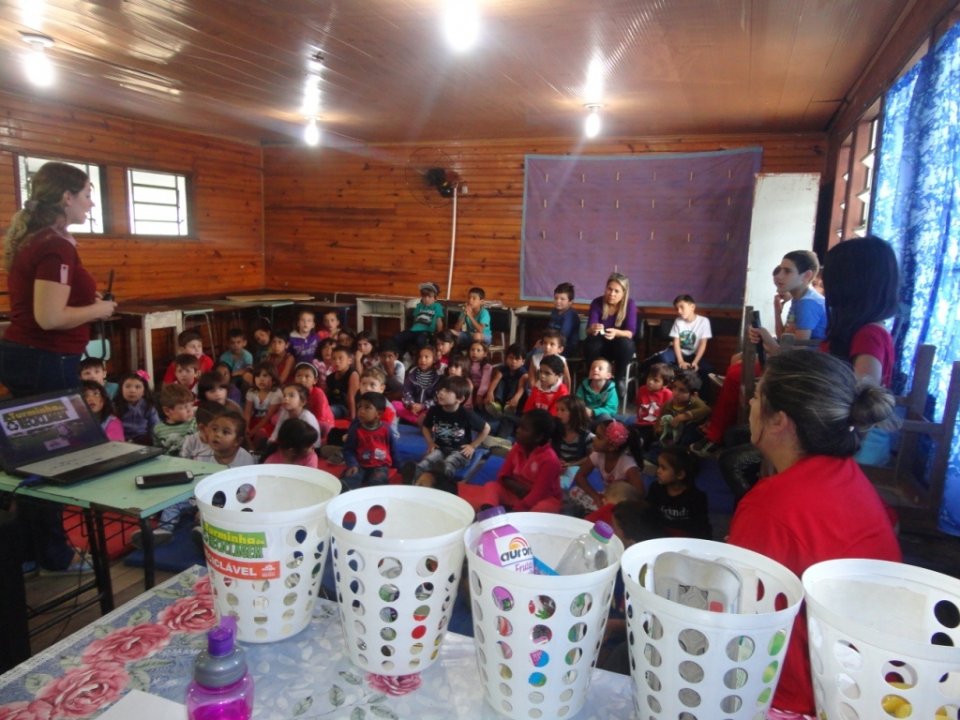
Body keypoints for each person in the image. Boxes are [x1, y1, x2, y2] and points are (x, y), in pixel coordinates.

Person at [728, 350, 901, 717]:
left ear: (779, 422)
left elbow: (743, 624)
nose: (750, 403)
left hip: (802, 699)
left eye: (758, 396)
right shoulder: (848, 477)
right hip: (868, 689)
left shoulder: (771, 506)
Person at [692, 251, 826, 458]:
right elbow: (785, 337)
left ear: (807, 276)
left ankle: (716, 435)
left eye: (787, 271)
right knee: (736, 363)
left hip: (801, 370)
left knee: (737, 373)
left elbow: (797, 354)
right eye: (780, 269)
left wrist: (766, 339)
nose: (780, 276)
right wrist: (777, 310)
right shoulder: (799, 300)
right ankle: (721, 425)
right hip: (791, 359)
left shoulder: (808, 303)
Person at [0, 162, 116, 398]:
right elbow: (50, 318)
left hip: (35, 355)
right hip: (45, 357)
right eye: (87, 195)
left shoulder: (40, 239)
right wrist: (98, 309)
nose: (91, 203)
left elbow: (46, 295)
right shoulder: (55, 245)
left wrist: (84, 300)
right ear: (67, 197)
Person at [459, 409, 563, 513]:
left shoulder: (550, 460)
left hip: (543, 499)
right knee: (492, 486)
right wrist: (517, 488)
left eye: (524, 429)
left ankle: (513, 514)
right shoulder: (517, 447)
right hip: (517, 493)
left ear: (538, 437)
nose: (518, 430)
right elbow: (503, 475)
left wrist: (515, 510)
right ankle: (488, 513)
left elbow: (538, 494)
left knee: (542, 508)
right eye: (519, 426)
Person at [409, 375, 490, 492]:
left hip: (460, 451)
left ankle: (439, 479)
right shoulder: (434, 410)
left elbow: (486, 428)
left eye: (447, 391)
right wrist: (430, 443)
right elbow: (426, 427)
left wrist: (472, 446)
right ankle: (414, 477)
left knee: (449, 463)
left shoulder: (466, 414)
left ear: (460, 399)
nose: (441, 393)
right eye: (441, 389)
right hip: (440, 448)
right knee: (428, 461)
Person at [568, 419, 642, 513]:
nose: (593, 439)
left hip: (620, 504)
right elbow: (580, 476)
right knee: (574, 492)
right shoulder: (597, 455)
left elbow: (639, 494)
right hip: (605, 496)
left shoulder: (627, 464)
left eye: (599, 437)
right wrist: (595, 496)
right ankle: (600, 511)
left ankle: (603, 513)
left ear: (611, 447)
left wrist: (619, 502)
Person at [583, 272, 637, 391]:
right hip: (600, 346)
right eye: (609, 289)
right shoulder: (597, 302)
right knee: (591, 342)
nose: (611, 294)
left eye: (616, 291)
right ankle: (592, 378)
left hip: (619, 347)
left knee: (626, 344)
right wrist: (593, 328)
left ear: (624, 293)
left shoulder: (630, 304)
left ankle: (618, 379)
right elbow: (588, 330)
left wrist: (616, 332)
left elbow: (630, 332)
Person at [644, 448, 711, 539]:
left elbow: (701, 528)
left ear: (680, 475)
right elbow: (649, 516)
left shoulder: (696, 497)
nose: (658, 471)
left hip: (686, 541)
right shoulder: (656, 489)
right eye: (658, 466)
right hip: (659, 538)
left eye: (663, 468)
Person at [342, 392, 398, 489]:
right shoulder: (355, 429)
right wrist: (353, 464)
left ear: (379, 414)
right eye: (360, 407)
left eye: (367, 408)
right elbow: (348, 450)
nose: (361, 411)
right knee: (351, 478)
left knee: (378, 482)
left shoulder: (386, 429)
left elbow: (393, 449)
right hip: (360, 465)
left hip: (380, 465)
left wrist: (398, 466)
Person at [628, 363, 674, 459]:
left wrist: (660, 426)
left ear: (665, 384)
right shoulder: (642, 389)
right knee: (628, 431)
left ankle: (644, 450)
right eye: (649, 377)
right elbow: (638, 406)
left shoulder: (668, 394)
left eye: (656, 380)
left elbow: (668, 413)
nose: (650, 382)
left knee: (646, 437)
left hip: (655, 426)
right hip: (641, 423)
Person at [656, 369, 710, 448]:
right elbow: (658, 424)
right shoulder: (668, 404)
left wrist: (681, 417)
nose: (675, 393)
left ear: (693, 394)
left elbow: (707, 410)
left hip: (689, 440)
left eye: (682, 390)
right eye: (674, 387)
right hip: (670, 437)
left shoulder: (695, 401)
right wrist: (660, 428)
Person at [552, 396, 594, 489]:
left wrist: (572, 464)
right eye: (557, 409)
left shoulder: (586, 436)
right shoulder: (555, 431)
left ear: (575, 413)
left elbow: (592, 457)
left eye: (562, 410)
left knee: (573, 472)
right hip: (558, 466)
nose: (558, 413)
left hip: (575, 467)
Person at [395, 346, 440, 425]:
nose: (422, 360)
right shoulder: (412, 373)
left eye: (426, 357)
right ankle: (418, 421)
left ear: (434, 359)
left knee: (436, 411)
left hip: (427, 409)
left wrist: (423, 406)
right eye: (420, 357)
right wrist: (411, 404)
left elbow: (436, 398)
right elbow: (407, 392)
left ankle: (419, 419)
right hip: (412, 408)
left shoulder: (437, 377)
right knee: (395, 404)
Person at [396, 281, 445, 355]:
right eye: (424, 296)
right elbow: (415, 320)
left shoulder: (437, 306)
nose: (426, 299)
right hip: (413, 330)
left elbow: (439, 321)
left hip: (426, 332)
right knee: (398, 337)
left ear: (435, 298)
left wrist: (439, 335)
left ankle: (421, 357)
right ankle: (402, 356)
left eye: (429, 297)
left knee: (420, 340)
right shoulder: (419, 306)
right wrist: (411, 329)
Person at [294, 362, 335, 444]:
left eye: (307, 376)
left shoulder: (318, 393)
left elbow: (320, 417)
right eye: (299, 376)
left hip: (320, 423)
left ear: (315, 380)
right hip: (303, 421)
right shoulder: (294, 391)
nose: (302, 379)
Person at [114, 371, 159, 444]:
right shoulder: (115, 405)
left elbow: (155, 427)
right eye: (127, 386)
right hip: (122, 440)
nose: (132, 390)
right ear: (121, 389)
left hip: (143, 439)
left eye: (137, 387)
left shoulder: (148, 406)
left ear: (144, 391)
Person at [244, 361, 282, 446]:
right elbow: (247, 412)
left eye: (265, 376)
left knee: (260, 433)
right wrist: (246, 426)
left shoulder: (276, 393)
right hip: (255, 419)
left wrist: (253, 431)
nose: (261, 379)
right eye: (257, 376)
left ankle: (254, 451)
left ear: (273, 378)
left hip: (269, 422)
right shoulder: (251, 391)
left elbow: (268, 417)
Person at [484, 344, 527, 418]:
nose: (513, 361)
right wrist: (489, 392)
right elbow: (495, 381)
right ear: (506, 358)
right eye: (511, 358)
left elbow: (521, 388)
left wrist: (516, 398)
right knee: (501, 382)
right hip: (504, 393)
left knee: (515, 382)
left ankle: (509, 407)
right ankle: (497, 405)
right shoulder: (503, 369)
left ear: (523, 362)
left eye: (517, 359)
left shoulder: (523, 373)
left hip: (514, 396)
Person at [325, 345, 360, 420]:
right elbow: (326, 395)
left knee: (328, 411)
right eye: (334, 359)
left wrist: (353, 418)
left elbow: (351, 396)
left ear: (349, 361)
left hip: (345, 407)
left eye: (340, 358)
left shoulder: (353, 374)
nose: (337, 361)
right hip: (332, 404)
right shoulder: (330, 377)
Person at [549, 282, 580, 356]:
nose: (558, 301)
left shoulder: (570, 315)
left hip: (566, 348)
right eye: (556, 298)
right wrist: (542, 342)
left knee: (539, 357)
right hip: (553, 344)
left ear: (570, 302)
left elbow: (563, 336)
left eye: (562, 299)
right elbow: (548, 330)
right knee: (532, 354)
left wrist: (548, 346)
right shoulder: (554, 312)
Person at [466, 340, 494, 409]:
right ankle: (468, 406)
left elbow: (485, 381)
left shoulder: (487, 366)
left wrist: (479, 395)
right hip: (470, 388)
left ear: (485, 354)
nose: (474, 352)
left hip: (482, 389)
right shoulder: (466, 363)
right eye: (472, 350)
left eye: (478, 350)